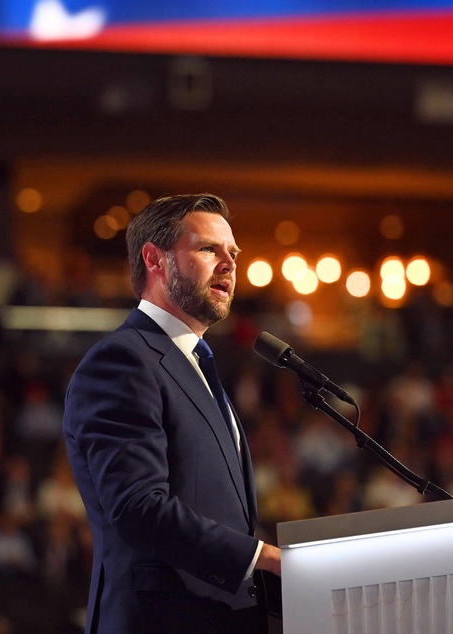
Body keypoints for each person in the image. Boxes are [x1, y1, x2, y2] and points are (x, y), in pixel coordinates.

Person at [63, 193, 281, 634]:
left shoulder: (198, 364)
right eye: (208, 249)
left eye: (233, 253)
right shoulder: (124, 361)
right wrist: (262, 556)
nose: (230, 264)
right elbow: (139, 507)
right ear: (154, 259)